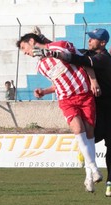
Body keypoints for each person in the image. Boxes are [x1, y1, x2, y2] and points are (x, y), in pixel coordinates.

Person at [16, 33, 103, 192]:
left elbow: (84, 62)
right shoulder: (41, 66)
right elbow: (59, 83)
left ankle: (89, 175)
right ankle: (94, 168)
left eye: (24, 47)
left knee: (90, 132)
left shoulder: (61, 45)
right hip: (66, 100)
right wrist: (44, 91)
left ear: (31, 41)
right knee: (78, 129)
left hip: (84, 94)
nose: (24, 52)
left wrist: (93, 81)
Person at [39, 28, 111, 196]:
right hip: (93, 106)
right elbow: (65, 51)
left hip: (108, 109)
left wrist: (56, 55)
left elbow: (76, 58)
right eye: (90, 38)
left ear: (103, 43)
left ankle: (109, 182)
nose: (89, 40)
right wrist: (43, 41)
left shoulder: (103, 58)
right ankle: (90, 171)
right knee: (88, 139)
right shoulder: (88, 53)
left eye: (93, 39)